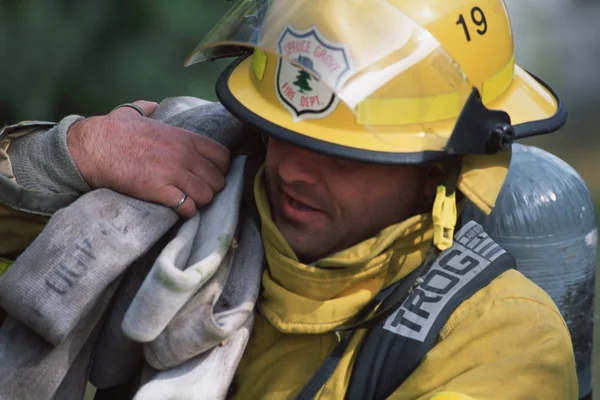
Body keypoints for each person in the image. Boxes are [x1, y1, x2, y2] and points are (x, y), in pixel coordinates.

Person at [0, 0, 580, 398]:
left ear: (439, 170)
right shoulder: (170, 209)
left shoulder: (504, 343)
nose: (292, 170)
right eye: (282, 131)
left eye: (344, 153)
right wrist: (69, 155)